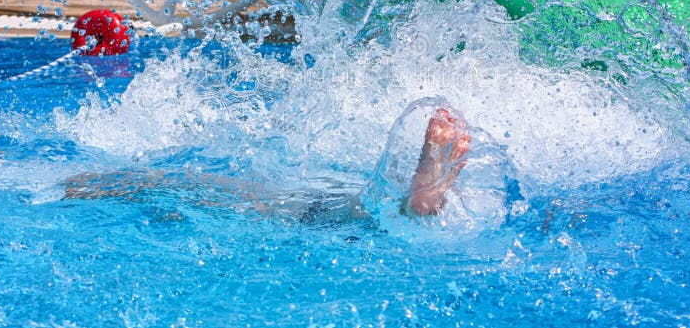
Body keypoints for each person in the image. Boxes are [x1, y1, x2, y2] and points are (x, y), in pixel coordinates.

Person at [64, 107, 471, 218]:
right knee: (260, 201)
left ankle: (410, 199)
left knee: (208, 193)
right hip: (322, 195)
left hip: (313, 203)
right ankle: (414, 197)